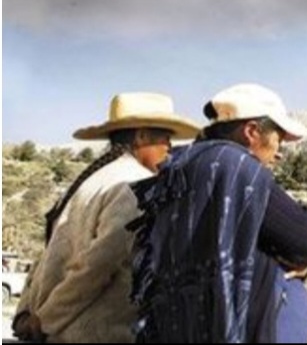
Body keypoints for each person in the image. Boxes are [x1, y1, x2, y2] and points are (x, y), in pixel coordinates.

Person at [129, 83, 307, 343]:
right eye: (279, 138)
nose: (280, 153)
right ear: (252, 131)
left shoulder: (183, 165)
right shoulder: (234, 166)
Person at [13, 93, 200, 343]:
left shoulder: (89, 180)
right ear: (141, 135)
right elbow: (97, 266)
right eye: (165, 138)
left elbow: (48, 252)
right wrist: (44, 320)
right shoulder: (135, 186)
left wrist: (28, 311)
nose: (169, 148)